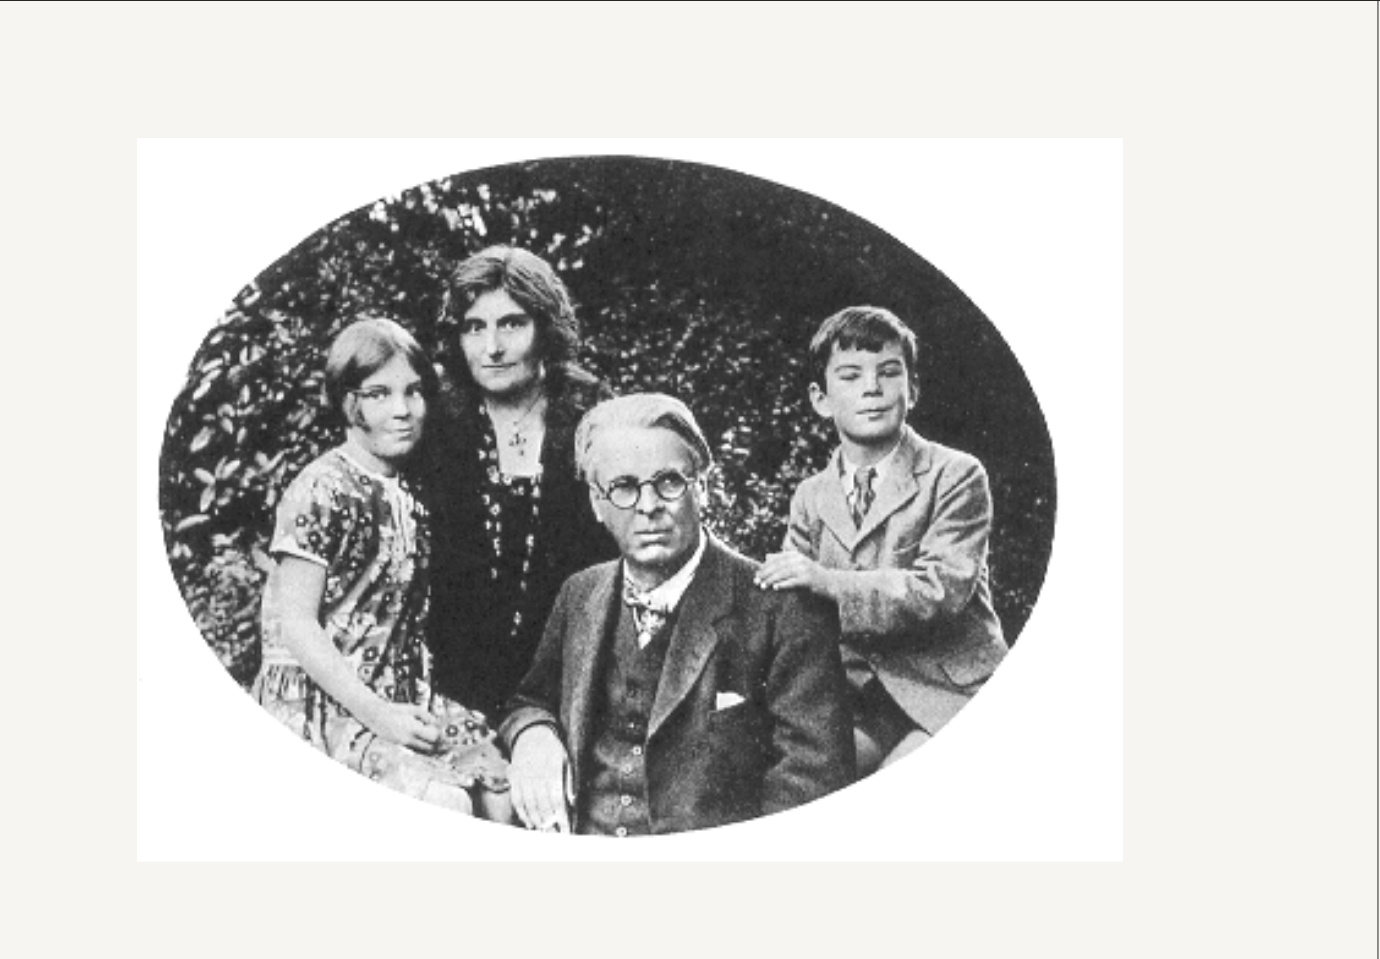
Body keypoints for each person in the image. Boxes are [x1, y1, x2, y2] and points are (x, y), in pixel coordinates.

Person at [501, 393, 855, 836]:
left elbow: (812, 783)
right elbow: (530, 700)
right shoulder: (580, 594)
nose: (648, 505)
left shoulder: (783, 609)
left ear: (702, 487)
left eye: (669, 482)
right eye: (624, 487)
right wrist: (533, 735)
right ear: (596, 503)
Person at [250, 318, 511, 818]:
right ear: (350, 403)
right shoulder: (321, 488)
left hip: (402, 691)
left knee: (502, 785)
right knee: (446, 803)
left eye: (413, 391)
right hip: (327, 701)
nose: (402, 410)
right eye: (379, 394)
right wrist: (377, 714)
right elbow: (295, 624)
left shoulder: (413, 488)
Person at [755, 305, 1009, 777]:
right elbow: (792, 611)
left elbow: (939, 591)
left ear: (912, 390)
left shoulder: (955, 474)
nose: (871, 388)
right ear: (821, 399)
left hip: (947, 690)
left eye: (889, 372)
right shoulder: (811, 495)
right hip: (857, 697)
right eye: (850, 376)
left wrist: (825, 581)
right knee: (797, 779)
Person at [424, 245, 618, 725]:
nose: (492, 347)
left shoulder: (591, 413)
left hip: (571, 675)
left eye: (511, 324)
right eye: (474, 327)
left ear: (544, 328)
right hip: (450, 682)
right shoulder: (436, 419)